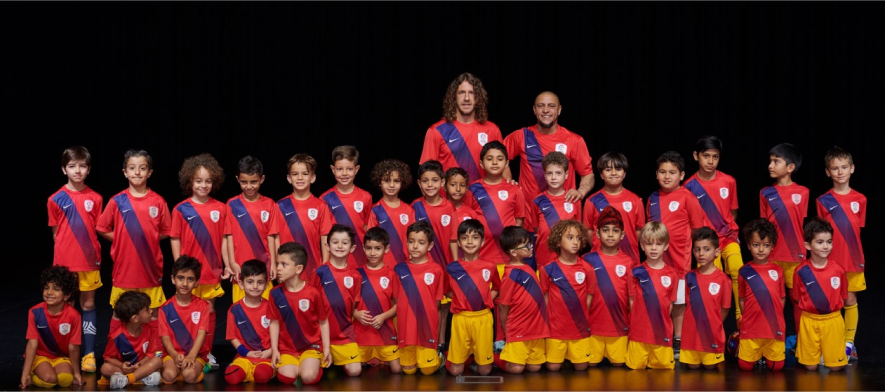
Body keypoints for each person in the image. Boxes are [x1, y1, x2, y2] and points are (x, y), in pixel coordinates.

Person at [97, 150, 171, 339]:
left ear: (149, 173)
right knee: (119, 312)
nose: (137, 172)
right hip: (124, 270)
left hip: (150, 269)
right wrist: (123, 239)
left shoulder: (158, 201)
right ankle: (112, 352)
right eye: (132, 168)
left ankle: (156, 353)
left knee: (153, 313)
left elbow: (166, 231)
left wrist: (148, 239)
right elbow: (102, 227)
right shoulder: (117, 201)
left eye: (142, 168)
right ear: (125, 172)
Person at [170, 153, 230, 370]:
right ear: (189, 182)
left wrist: (227, 264)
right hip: (189, 273)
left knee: (209, 311)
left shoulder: (221, 208)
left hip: (210, 272)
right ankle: (186, 351)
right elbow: (175, 238)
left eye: (208, 181)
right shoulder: (180, 209)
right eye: (198, 181)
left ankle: (207, 352)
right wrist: (179, 266)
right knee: (187, 311)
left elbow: (224, 239)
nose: (203, 185)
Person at [47, 146, 103, 372]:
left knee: (88, 305)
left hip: (89, 262)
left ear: (88, 169)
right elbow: (55, 234)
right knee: (65, 306)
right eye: (72, 166)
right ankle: (64, 354)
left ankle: (88, 355)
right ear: (64, 169)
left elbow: (99, 229)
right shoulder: (55, 199)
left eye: (82, 166)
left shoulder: (96, 198)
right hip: (64, 265)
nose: (77, 170)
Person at [647, 150, 705, 357]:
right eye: (662, 172)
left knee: (679, 302)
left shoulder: (688, 197)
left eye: (672, 172)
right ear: (656, 174)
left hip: (680, 261)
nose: (667, 176)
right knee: (659, 300)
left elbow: (698, 229)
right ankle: (659, 336)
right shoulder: (652, 198)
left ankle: (678, 339)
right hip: (656, 262)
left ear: (681, 175)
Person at [684, 136, 743, 320]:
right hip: (706, 243)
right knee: (711, 279)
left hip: (728, 238)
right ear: (696, 156)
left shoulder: (729, 181)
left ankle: (742, 317)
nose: (710, 161)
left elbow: (733, 212)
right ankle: (713, 318)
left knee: (737, 270)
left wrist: (727, 231)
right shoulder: (689, 186)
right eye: (706, 156)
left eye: (715, 157)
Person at [815, 146, 865, 360]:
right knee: (830, 301)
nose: (840, 172)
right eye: (835, 168)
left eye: (844, 167)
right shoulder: (822, 201)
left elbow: (857, 229)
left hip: (853, 260)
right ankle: (829, 342)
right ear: (828, 172)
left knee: (850, 299)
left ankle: (848, 343)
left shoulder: (861, 199)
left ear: (852, 169)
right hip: (830, 260)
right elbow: (821, 233)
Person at [503, 91, 594, 204]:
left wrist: (580, 192)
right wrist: (508, 182)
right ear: (534, 110)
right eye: (541, 106)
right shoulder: (521, 136)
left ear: (559, 110)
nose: (546, 110)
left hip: (563, 211)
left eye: (551, 106)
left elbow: (587, 174)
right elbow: (498, 157)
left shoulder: (574, 140)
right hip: (528, 212)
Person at [420, 72, 504, 181]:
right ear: (454, 97)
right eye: (461, 92)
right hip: (447, 197)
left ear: (478, 98)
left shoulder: (492, 130)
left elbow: (503, 168)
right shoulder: (436, 131)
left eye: (471, 93)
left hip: (480, 197)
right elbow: (426, 175)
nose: (467, 98)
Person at [760, 143, 808, 332]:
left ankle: (802, 342)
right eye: (770, 161)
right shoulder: (765, 193)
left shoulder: (803, 192)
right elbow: (763, 227)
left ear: (790, 167)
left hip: (796, 256)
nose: (770, 165)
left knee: (798, 301)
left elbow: (801, 224)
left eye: (776, 161)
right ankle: (773, 338)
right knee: (772, 301)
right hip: (771, 256)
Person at [269, 242, 332, 385]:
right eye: (278, 263)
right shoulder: (274, 293)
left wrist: (327, 348)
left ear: (298, 269)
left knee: (308, 378)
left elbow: (323, 321)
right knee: (287, 378)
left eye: (284, 264)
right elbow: (274, 323)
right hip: (287, 349)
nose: (278, 268)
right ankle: (299, 366)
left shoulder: (313, 293)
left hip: (311, 347)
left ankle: (313, 368)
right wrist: (274, 350)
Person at [445, 219, 501, 376]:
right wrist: (459, 299)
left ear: (482, 241)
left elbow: (497, 287)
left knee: (485, 371)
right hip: (460, 319)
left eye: (475, 237)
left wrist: (486, 299)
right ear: (459, 243)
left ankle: (486, 357)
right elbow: (446, 291)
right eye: (465, 237)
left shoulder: (489, 266)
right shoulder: (452, 268)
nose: (470, 242)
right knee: (455, 371)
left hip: (483, 319)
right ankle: (464, 358)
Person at [792, 218, 847, 371]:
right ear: (807, 245)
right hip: (809, 321)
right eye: (820, 242)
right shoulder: (800, 271)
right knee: (810, 367)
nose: (826, 246)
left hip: (833, 321)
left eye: (829, 242)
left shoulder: (839, 270)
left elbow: (842, 296)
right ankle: (818, 354)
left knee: (835, 368)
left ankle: (829, 353)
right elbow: (797, 298)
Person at [539, 220, 595, 371]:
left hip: (579, 328)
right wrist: (549, 320)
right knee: (553, 368)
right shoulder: (548, 269)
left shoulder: (587, 268)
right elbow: (545, 297)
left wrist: (582, 315)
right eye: (570, 237)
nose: (575, 242)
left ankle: (570, 357)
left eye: (578, 238)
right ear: (558, 241)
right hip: (556, 329)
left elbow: (589, 294)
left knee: (582, 367)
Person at [309, 225, 364, 377]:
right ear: (327, 246)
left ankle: (335, 360)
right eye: (335, 242)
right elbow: (311, 304)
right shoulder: (319, 272)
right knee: (310, 374)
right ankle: (325, 360)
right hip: (319, 335)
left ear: (352, 248)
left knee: (355, 371)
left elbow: (352, 306)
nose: (340, 246)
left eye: (345, 243)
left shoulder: (356, 276)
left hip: (344, 335)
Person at [583, 207, 634, 367]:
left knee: (619, 365)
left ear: (623, 235)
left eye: (615, 230)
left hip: (619, 328)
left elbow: (632, 299)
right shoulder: (586, 260)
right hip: (592, 328)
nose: (610, 234)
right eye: (605, 230)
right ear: (597, 234)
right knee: (589, 365)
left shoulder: (629, 263)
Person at [393, 221, 446, 375]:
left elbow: (437, 303)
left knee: (428, 370)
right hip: (405, 328)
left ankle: (440, 358)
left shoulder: (436, 270)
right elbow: (396, 300)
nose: (415, 246)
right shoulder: (399, 269)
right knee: (408, 371)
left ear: (429, 246)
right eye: (411, 241)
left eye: (421, 242)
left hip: (426, 328)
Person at [269, 154, 333, 279]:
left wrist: (325, 264)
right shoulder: (280, 205)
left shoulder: (321, 205)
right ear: (288, 178)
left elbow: (325, 238)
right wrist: (278, 263)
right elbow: (276, 237)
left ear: (313, 177)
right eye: (295, 174)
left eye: (305, 173)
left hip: (313, 268)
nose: (300, 178)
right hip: (286, 269)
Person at [496, 226, 550, 373]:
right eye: (526, 245)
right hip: (518, 329)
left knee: (535, 367)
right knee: (516, 369)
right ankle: (496, 358)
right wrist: (506, 330)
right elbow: (503, 305)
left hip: (536, 329)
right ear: (513, 252)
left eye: (530, 243)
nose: (530, 247)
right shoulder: (510, 274)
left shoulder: (528, 268)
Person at [464, 141, 526, 270]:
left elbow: (519, 220)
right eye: (489, 159)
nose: (494, 162)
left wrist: (511, 242)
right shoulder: (473, 189)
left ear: (507, 163)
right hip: (480, 256)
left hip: (507, 257)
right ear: (481, 163)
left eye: (499, 159)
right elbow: (468, 221)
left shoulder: (515, 190)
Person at [626, 222, 679, 370]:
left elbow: (670, 305)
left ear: (666, 246)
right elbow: (632, 301)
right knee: (634, 374)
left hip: (661, 334)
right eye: (649, 244)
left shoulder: (672, 274)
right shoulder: (635, 272)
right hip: (639, 335)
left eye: (658, 243)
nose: (654, 248)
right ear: (642, 246)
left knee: (663, 375)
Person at [20, 266, 82, 389]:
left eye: (56, 289)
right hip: (40, 356)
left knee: (65, 380)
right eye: (46, 288)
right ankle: (32, 377)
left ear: (66, 295)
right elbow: (32, 344)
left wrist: (76, 373)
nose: (49, 292)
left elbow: (73, 347)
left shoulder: (74, 316)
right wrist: (25, 374)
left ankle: (52, 372)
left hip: (60, 357)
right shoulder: (34, 312)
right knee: (50, 379)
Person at [225, 156, 277, 302]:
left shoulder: (270, 204)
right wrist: (232, 262)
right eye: (244, 182)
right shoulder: (231, 205)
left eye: (253, 182)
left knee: (267, 312)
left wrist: (273, 262)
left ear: (262, 179)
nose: (249, 186)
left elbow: (271, 236)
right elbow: (229, 236)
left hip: (264, 268)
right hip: (240, 269)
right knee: (243, 312)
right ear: (237, 179)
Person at [736, 219, 786, 371]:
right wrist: (749, 317)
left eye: (766, 245)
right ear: (749, 245)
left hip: (773, 326)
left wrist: (774, 314)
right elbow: (742, 298)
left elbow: (782, 298)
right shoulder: (744, 271)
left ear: (772, 247)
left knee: (777, 367)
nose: (761, 250)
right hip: (751, 327)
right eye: (756, 245)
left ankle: (765, 354)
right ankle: (754, 353)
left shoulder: (778, 271)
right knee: (744, 367)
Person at [679, 227, 732, 370]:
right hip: (691, 336)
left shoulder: (724, 280)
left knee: (711, 371)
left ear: (716, 252)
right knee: (692, 369)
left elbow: (725, 308)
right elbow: (686, 306)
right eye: (697, 249)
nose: (701, 253)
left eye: (706, 249)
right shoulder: (689, 277)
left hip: (712, 335)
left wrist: (712, 323)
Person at [584, 152, 645, 264]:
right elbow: (588, 230)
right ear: (601, 175)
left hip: (629, 258)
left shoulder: (635, 200)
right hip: (600, 261)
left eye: (618, 169)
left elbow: (639, 230)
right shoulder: (591, 201)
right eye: (608, 170)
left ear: (624, 173)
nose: (613, 173)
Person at [354, 228, 401, 373]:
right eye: (369, 248)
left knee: (397, 369)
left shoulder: (391, 274)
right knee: (354, 371)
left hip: (385, 332)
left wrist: (383, 317)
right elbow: (348, 303)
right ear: (363, 248)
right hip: (361, 333)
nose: (372, 253)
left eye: (377, 248)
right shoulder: (356, 274)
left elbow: (398, 305)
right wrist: (355, 314)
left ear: (386, 249)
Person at [224, 260, 278, 385]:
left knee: (262, 375)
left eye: (260, 282)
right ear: (241, 284)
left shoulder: (271, 307)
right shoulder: (234, 310)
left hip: (266, 357)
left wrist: (270, 352)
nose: (255, 286)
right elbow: (232, 337)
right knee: (231, 377)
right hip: (244, 357)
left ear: (266, 285)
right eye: (250, 282)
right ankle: (248, 370)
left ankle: (259, 372)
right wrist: (247, 353)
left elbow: (279, 334)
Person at [159, 256, 211, 384]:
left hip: (196, 354)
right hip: (173, 354)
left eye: (190, 279)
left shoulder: (203, 306)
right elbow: (165, 337)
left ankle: (200, 368)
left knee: (189, 376)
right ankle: (178, 371)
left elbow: (201, 333)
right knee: (169, 375)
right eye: (181, 278)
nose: (185, 283)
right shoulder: (164, 309)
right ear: (173, 279)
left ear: (197, 282)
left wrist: (192, 355)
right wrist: (175, 355)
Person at [527, 152, 582, 268]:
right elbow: (537, 230)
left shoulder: (574, 200)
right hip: (544, 259)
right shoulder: (537, 201)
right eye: (549, 173)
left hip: (569, 260)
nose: (553, 177)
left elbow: (579, 231)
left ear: (566, 174)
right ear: (544, 175)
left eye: (558, 173)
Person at [321, 146, 374, 268]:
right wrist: (325, 261)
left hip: (360, 259)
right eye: (339, 169)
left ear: (356, 169)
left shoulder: (366, 197)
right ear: (332, 169)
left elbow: (367, 229)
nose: (344, 173)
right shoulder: (324, 199)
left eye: (349, 169)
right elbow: (324, 234)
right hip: (334, 261)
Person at [101, 291, 162, 388]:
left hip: (142, 366)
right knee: (105, 368)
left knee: (157, 360)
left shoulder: (148, 329)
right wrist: (122, 366)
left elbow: (151, 354)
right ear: (135, 318)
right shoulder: (116, 336)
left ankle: (127, 379)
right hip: (124, 369)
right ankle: (141, 377)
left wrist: (140, 364)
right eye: (147, 309)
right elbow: (108, 358)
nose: (151, 311)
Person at [367, 159, 415, 266]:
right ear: (379, 182)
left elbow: (413, 239)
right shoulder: (375, 210)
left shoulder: (409, 211)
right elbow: (371, 240)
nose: (392, 185)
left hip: (405, 265)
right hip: (382, 265)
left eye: (396, 181)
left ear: (402, 183)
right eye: (387, 181)